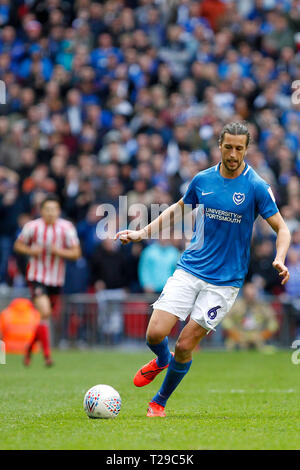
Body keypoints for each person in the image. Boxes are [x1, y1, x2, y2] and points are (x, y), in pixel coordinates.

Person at [115, 121, 291, 418]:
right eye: (228, 147)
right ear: (219, 146)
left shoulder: (256, 186)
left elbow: (282, 229)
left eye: (239, 148)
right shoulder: (202, 180)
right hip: (191, 268)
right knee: (154, 334)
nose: (233, 154)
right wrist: (142, 232)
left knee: (185, 345)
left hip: (224, 283)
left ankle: (159, 402)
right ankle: (160, 360)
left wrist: (281, 257)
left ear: (246, 149)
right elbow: (178, 208)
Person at [14, 194, 81, 366]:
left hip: (56, 279)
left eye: (54, 209)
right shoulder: (32, 226)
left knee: (45, 317)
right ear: (41, 211)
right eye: (47, 209)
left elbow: (76, 253)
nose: (50, 213)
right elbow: (18, 245)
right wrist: (31, 251)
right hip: (37, 276)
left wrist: (59, 251)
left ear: (58, 211)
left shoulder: (66, 228)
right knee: (44, 312)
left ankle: (29, 349)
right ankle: (47, 356)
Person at [222, 282, 279, 350]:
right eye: (248, 295)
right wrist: (235, 334)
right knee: (230, 348)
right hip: (238, 338)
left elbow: (273, 323)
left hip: (258, 338)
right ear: (244, 294)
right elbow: (225, 321)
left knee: (269, 351)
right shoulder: (236, 305)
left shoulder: (262, 306)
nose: (250, 297)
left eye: (252, 295)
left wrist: (263, 335)